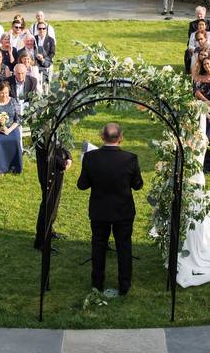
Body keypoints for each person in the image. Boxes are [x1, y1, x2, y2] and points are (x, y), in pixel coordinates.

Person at [77, 123, 144, 295]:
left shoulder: (90, 158)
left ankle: (97, 283)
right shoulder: (131, 158)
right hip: (123, 211)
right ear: (120, 138)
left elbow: (82, 185)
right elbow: (138, 185)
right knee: (124, 246)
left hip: (100, 210)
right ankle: (124, 285)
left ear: (102, 137)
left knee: (98, 246)